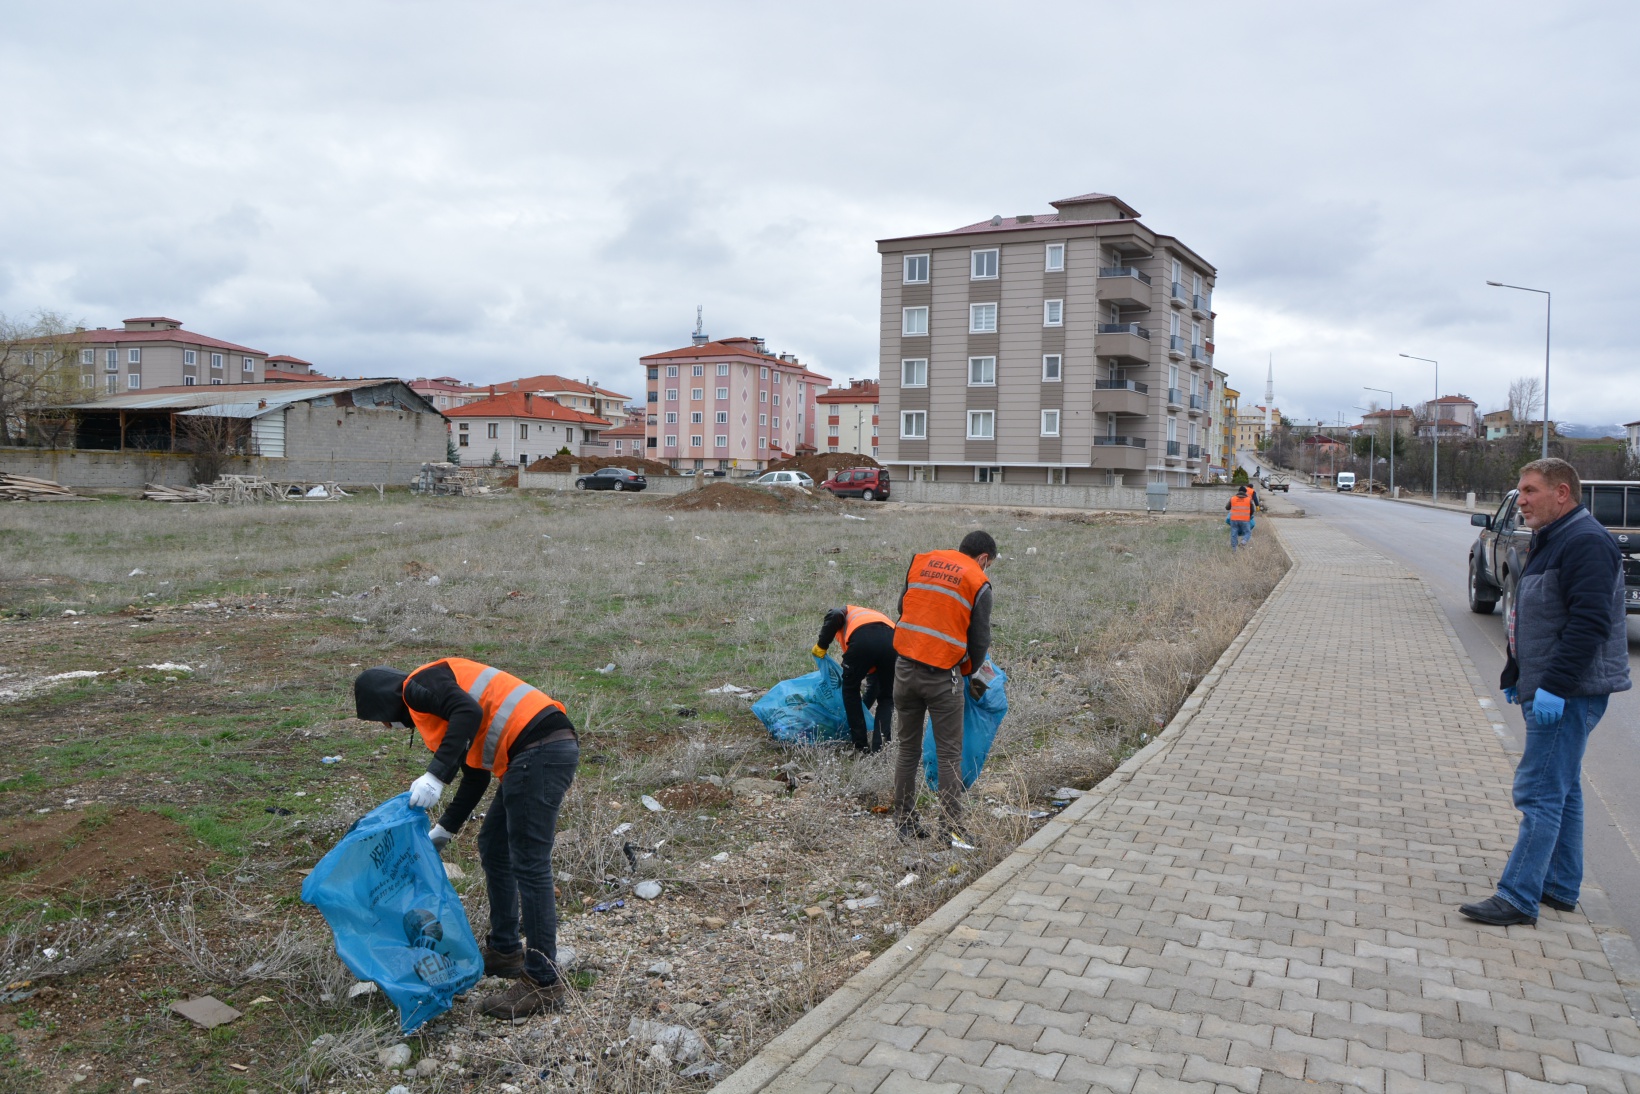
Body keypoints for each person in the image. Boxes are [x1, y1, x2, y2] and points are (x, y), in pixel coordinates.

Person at [354, 658, 579, 1016]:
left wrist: (435, 776)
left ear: (383, 702)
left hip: (539, 750)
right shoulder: (437, 705)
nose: (386, 726)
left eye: (380, 718)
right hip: (534, 750)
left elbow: (468, 711)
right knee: (494, 845)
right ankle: (506, 951)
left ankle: (542, 982)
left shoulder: (420, 686)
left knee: (531, 865)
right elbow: (475, 775)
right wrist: (444, 830)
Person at [1460, 459, 1631, 927]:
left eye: (1531, 491)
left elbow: (1590, 623)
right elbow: (1534, 614)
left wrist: (1552, 686)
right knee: (1564, 787)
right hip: (1552, 684)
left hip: (1571, 691)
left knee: (1538, 791)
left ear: (1562, 493)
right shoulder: (1553, 538)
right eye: (1521, 490)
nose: (1523, 500)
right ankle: (1558, 885)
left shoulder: (1586, 543)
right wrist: (1517, 670)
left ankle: (1517, 896)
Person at [891, 530, 996, 846]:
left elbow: (903, 608)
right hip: (942, 677)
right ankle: (950, 829)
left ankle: (905, 823)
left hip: (904, 668)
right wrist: (967, 672)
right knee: (950, 755)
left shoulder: (922, 562)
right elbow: (979, 642)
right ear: (983, 558)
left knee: (907, 749)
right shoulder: (978, 582)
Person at [814, 605, 897, 753]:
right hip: (893, 642)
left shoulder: (846, 611)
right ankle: (881, 748)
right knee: (886, 697)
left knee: (850, 690)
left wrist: (822, 644)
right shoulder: (872, 614)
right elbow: (874, 684)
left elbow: (835, 613)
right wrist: (863, 708)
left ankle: (860, 746)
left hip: (863, 640)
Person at [1226, 485, 1254, 550]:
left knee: (1234, 534)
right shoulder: (1249, 499)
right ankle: (1243, 542)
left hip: (1234, 520)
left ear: (1238, 491)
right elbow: (1252, 510)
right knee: (1247, 532)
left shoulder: (1232, 498)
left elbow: (1227, 507)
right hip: (1245, 520)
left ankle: (1234, 550)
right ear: (1245, 492)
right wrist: (1249, 516)